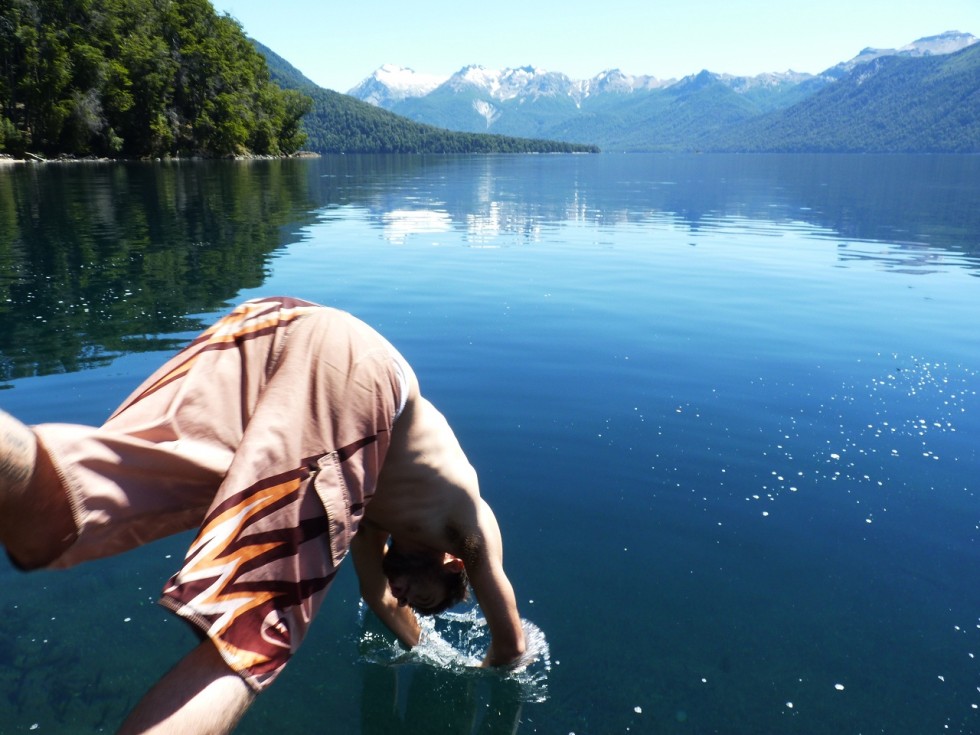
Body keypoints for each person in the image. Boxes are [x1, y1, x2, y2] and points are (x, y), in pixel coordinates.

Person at [0, 296, 526, 734]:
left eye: (416, 601)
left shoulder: (374, 523)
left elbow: (379, 598)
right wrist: (483, 678)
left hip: (280, 326)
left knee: (57, 508)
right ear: (454, 565)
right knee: (251, 639)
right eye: (425, 595)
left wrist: (427, 649)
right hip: (363, 374)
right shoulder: (468, 527)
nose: (409, 596)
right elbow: (511, 644)